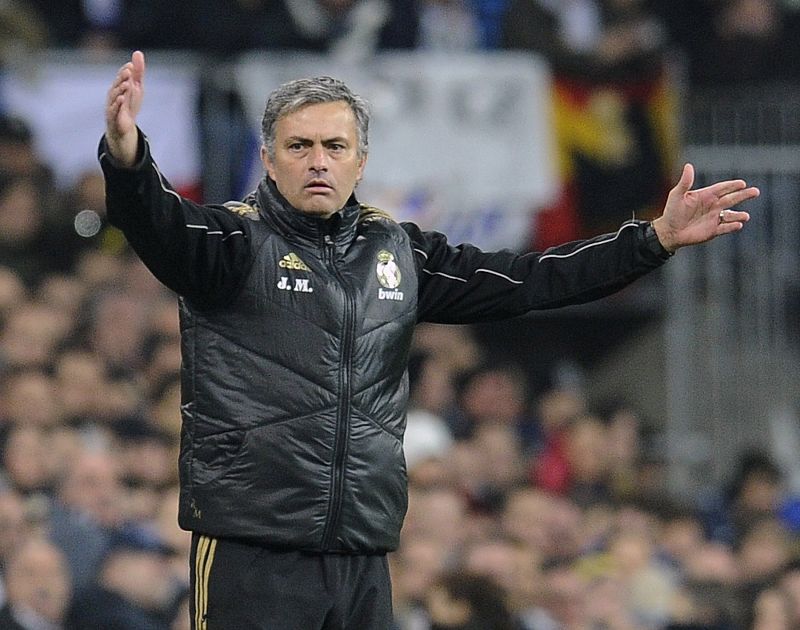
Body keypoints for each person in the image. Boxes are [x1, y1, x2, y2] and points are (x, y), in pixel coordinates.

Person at [100, 50, 758, 629]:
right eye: (299, 147)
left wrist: (653, 240)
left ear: (362, 159)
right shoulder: (233, 243)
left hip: (362, 552)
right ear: (269, 159)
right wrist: (129, 157)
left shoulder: (400, 252)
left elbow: (528, 280)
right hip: (252, 550)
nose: (318, 161)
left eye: (335, 146)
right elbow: (159, 225)